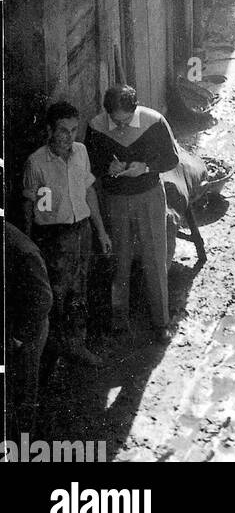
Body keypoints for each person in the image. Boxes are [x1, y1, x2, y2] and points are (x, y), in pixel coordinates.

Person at [86, 84, 180, 344]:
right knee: (120, 258)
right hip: (115, 199)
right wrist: (108, 166)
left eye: (126, 119)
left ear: (135, 108)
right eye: (115, 120)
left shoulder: (154, 121)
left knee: (154, 256)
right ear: (107, 113)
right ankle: (119, 318)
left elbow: (172, 159)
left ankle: (161, 322)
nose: (121, 125)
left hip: (148, 196)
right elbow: (90, 164)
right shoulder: (95, 126)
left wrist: (146, 167)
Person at [23, 100, 111, 369]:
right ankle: (54, 356)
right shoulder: (37, 162)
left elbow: (88, 192)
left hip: (82, 231)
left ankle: (77, 346)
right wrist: (31, 244)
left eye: (73, 130)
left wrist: (101, 231)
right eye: (62, 130)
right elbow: (32, 208)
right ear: (49, 130)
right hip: (54, 238)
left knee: (80, 292)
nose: (68, 137)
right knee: (55, 298)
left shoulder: (81, 152)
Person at [4, 220, 53, 439]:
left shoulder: (20, 248)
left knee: (21, 395)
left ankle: (22, 445)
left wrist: (18, 339)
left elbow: (42, 300)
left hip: (26, 332)